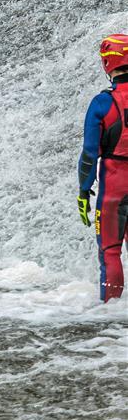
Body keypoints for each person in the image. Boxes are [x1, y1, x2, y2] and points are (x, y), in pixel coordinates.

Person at [78, 33, 128, 303]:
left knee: (110, 252)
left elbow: (89, 154)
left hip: (114, 189)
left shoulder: (102, 103)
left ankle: (110, 317)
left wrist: (84, 192)